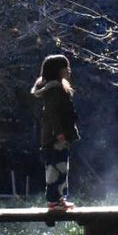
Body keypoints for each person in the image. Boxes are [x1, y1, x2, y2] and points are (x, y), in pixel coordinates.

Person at [31, 54, 80, 210]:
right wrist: (59, 133)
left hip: (58, 137)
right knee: (55, 168)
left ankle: (59, 199)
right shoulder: (55, 89)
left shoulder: (57, 87)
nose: (69, 70)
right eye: (66, 67)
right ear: (58, 70)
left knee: (61, 167)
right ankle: (54, 201)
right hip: (54, 138)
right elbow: (52, 113)